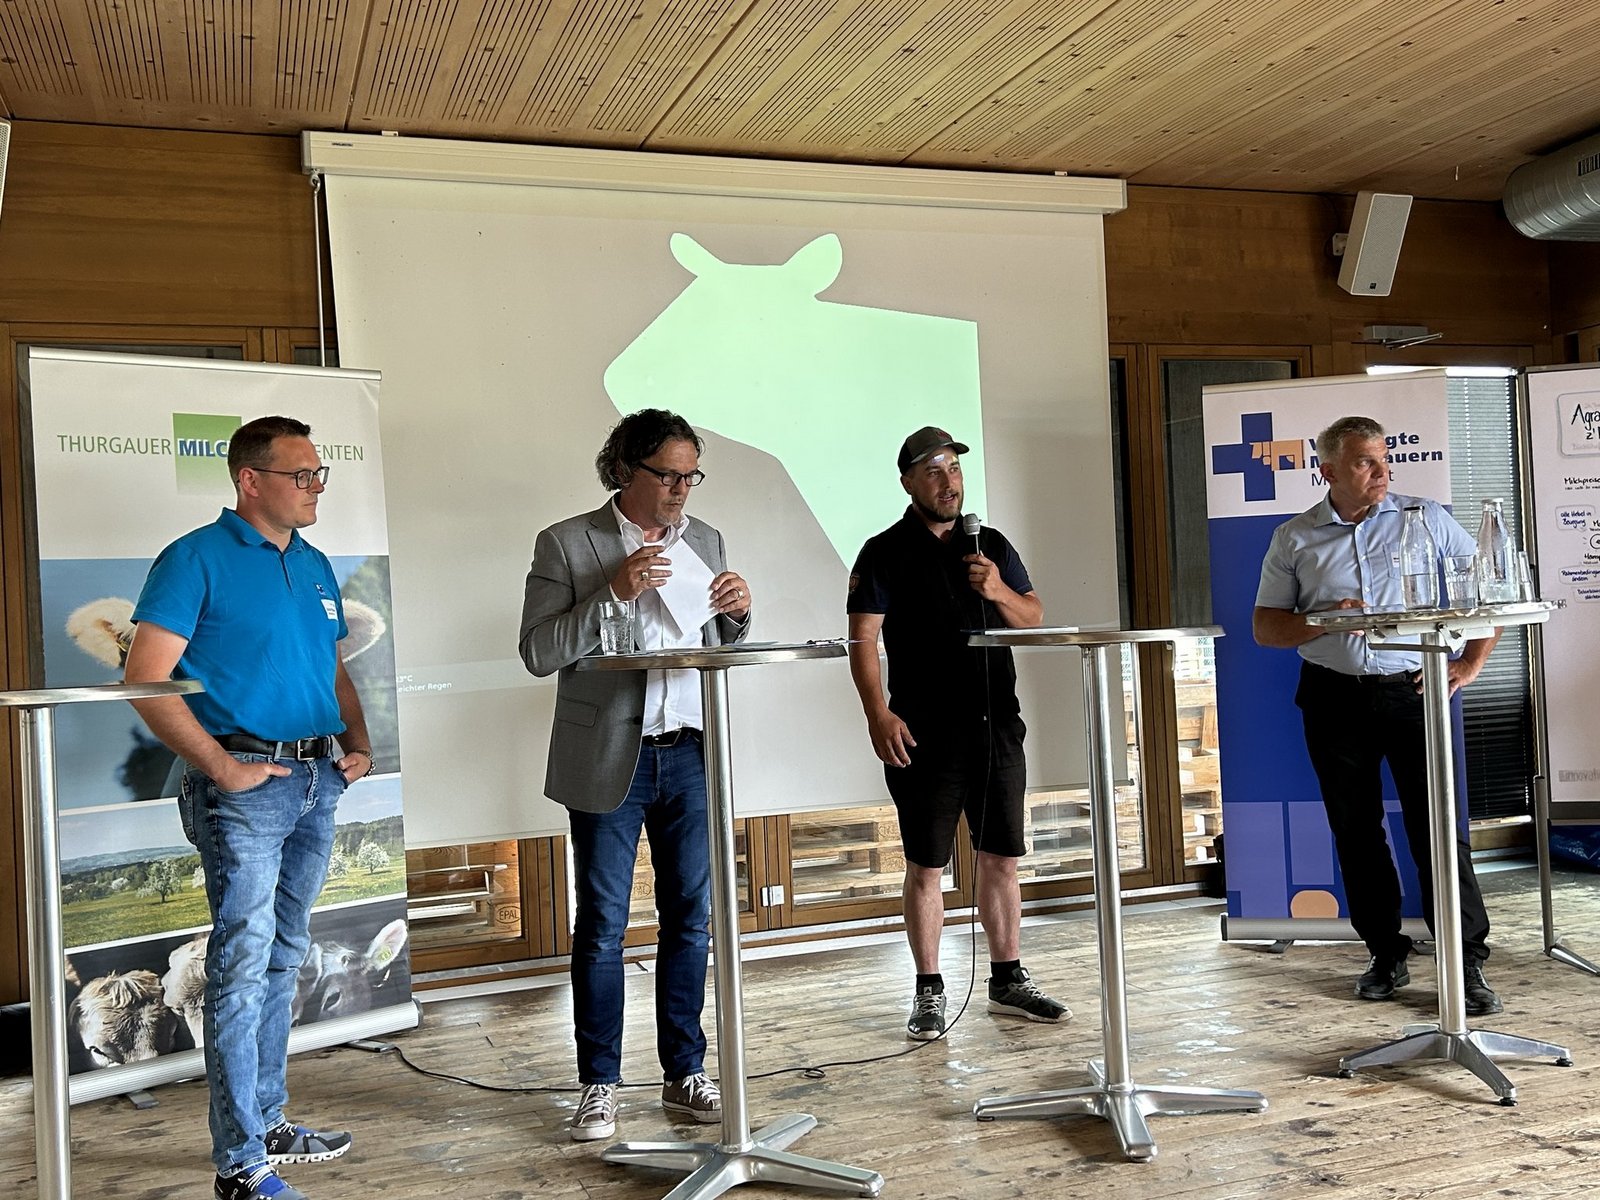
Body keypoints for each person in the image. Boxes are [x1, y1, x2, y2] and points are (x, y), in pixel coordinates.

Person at [123, 416, 374, 1200]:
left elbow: (332, 670)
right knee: (239, 969)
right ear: (249, 480)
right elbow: (144, 679)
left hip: (316, 781)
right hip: (245, 791)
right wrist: (222, 768)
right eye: (302, 475)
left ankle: (267, 1123)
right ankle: (238, 1164)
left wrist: (358, 742)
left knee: (283, 957)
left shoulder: (315, 563)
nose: (317, 487)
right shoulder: (194, 558)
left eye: (321, 473)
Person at [518, 408, 752, 1142]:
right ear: (625, 470)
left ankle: (686, 1071)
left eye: (691, 476)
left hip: (691, 751)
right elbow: (537, 652)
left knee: (692, 917)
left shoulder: (705, 540)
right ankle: (600, 1083)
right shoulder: (567, 542)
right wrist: (611, 593)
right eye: (668, 475)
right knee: (602, 925)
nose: (681, 490)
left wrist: (737, 616)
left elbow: (714, 642)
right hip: (609, 755)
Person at [1253, 414, 1503, 1015]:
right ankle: (1385, 953)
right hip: (1333, 697)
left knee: (1436, 828)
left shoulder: (1427, 519)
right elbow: (1266, 628)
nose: (1381, 472)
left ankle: (1465, 960)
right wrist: (1323, 620)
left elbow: (1487, 592)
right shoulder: (1294, 537)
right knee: (1356, 830)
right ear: (1329, 471)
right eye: (1365, 462)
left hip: (1413, 691)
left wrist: (1469, 664)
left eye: (1385, 459)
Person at [846, 426, 1070, 1041]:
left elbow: (1033, 618)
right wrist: (877, 713)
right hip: (922, 733)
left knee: (1001, 857)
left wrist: (996, 589)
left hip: (997, 726)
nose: (949, 482)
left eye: (954, 469)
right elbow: (862, 639)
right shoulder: (884, 551)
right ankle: (928, 989)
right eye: (934, 471)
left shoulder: (988, 544)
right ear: (908, 482)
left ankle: (1008, 979)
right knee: (927, 865)